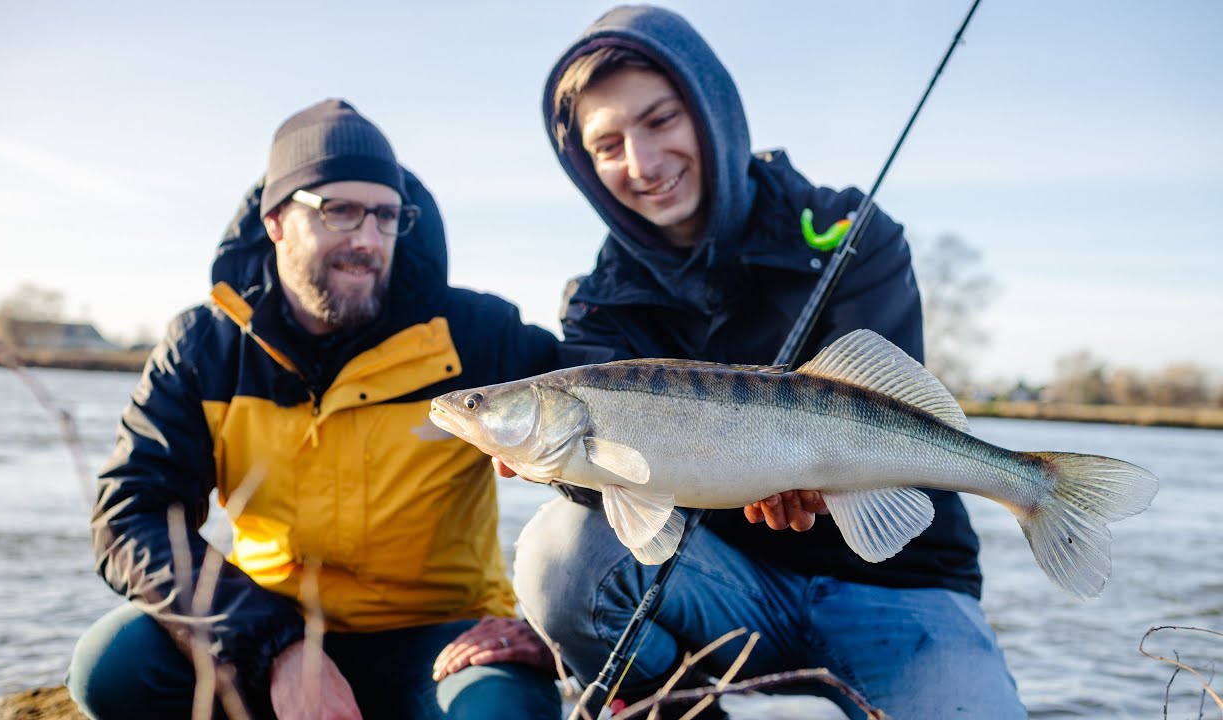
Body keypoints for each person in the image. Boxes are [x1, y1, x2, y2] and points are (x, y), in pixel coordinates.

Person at [508, 6, 1026, 719]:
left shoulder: (848, 233)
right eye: (608, 145)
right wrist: (557, 467)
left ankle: (1030, 485)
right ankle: (689, 708)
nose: (643, 164)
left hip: (903, 587)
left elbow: (889, 411)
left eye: (661, 121)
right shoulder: (600, 303)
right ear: (585, 166)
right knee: (556, 558)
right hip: (729, 593)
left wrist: (814, 480)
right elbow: (618, 496)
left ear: (712, 112)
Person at [66, 99, 562, 720]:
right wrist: (277, 645)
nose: (367, 240)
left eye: (386, 216)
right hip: (268, 627)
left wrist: (563, 636)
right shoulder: (204, 346)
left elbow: (614, 431)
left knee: (500, 713)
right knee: (113, 666)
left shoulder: (483, 335)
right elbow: (130, 514)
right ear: (275, 220)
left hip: (444, 640)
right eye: (340, 212)